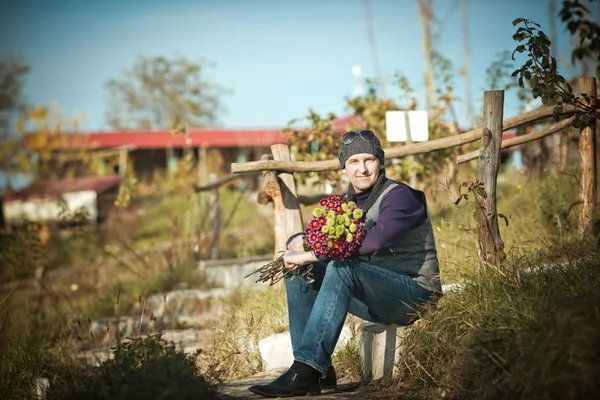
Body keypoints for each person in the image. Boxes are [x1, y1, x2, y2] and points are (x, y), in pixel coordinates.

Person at [249, 129, 442, 398]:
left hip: (413, 295)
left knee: (341, 267)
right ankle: (320, 372)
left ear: (381, 162)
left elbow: (371, 243)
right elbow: (315, 236)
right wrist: (298, 240)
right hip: (376, 299)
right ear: (344, 166)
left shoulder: (400, 197)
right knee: (301, 270)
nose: (362, 169)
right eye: (354, 162)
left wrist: (308, 253)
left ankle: (305, 369)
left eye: (369, 160)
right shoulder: (345, 204)